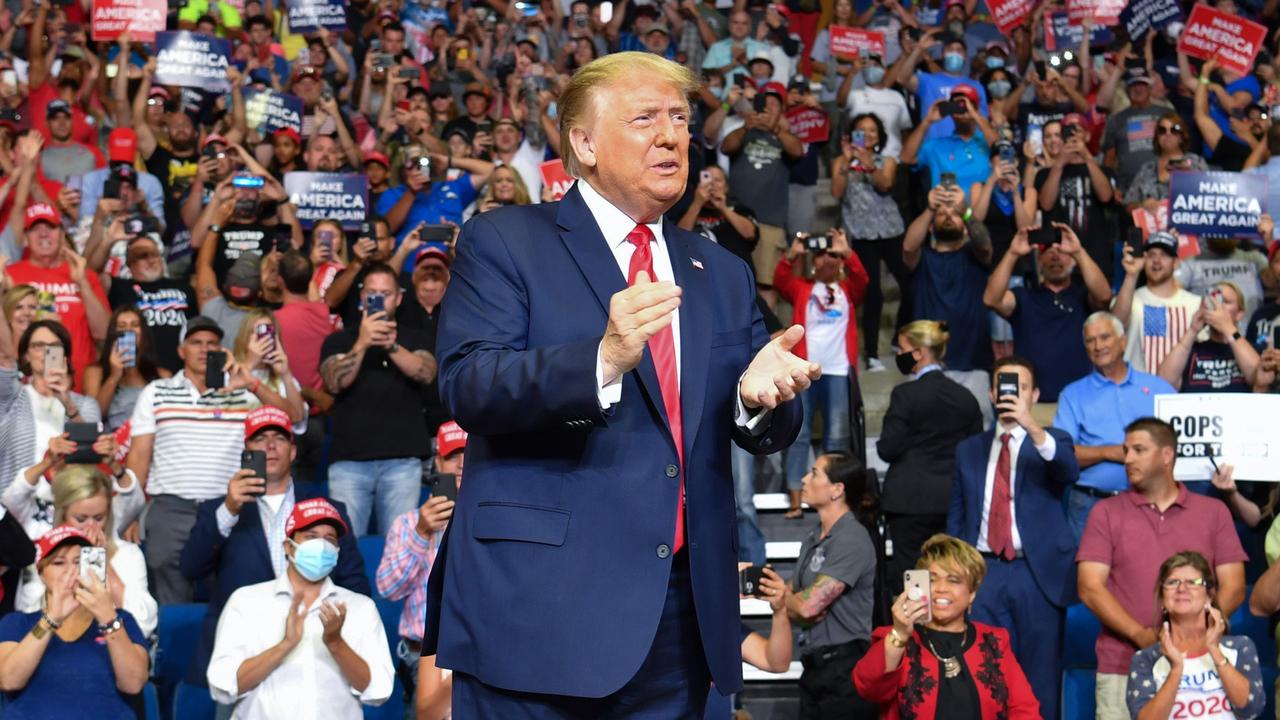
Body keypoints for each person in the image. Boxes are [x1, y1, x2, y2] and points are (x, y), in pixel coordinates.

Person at [426, 52, 809, 716]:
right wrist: (600, 361)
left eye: (681, 119)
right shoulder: (506, 241)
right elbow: (468, 384)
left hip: (686, 622)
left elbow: (761, 408)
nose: (671, 135)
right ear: (583, 143)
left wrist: (759, 402)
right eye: (645, 118)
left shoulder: (719, 271)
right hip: (539, 613)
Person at [180, 406, 369, 708]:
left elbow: (356, 585)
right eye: (260, 439)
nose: (269, 445)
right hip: (244, 653)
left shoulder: (328, 509)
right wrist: (229, 510)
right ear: (246, 450)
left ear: (293, 451)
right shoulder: (220, 508)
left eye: (279, 438)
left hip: (315, 649)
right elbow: (190, 569)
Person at [1077, 418, 1248, 720]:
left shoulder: (1213, 511)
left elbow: (1233, 586)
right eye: (1127, 450)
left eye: (1139, 450)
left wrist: (1195, 632)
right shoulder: (1105, 512)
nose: (1127, 458)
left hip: (1201, 667)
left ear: (1167, 455)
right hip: (1123, 665)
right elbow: (1090, 587)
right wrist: (1141, 636)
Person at [947, 357, 1080, 720]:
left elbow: (1068, 471)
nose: (1011, 395)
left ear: (1034, 395)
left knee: (1040, 678)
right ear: (991, 393)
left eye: (1020, 387)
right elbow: (957, 518)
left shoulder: (1052, 441)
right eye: (1005, 387)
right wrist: (953, 573)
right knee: (984, 674)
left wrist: (1031, 426)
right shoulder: (968, 449)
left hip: (1037, 574)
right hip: (983, 572)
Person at [125, 316, 282, 604]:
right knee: (164, 573)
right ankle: (174, 647)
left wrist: (251, 383)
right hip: (171, 505)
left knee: (234, 581)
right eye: (195, 342)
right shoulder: (156, 392)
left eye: (212, 343)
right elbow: (138, 457)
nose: (204, 349)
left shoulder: (243, 392)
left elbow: (291, 420)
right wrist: (131, 511)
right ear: (181, 350)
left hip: (229, 504)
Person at [206, 498, 395, 718]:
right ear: (289, 546)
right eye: (311, 537)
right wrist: (285, 645)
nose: (321, 545)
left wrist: (336, 643)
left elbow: (379, 690)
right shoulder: (246, 601)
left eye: (329, 539)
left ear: (336, 551)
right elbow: (223, 687)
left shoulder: (359, 607)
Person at [852, 534, 1041, 719]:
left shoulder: (994, 640)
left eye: (954, 580)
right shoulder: (895, 639)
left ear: (972, 593)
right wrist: (900, 634)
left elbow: (1024, 709)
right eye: (932, 579)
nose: (941, 588)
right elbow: (868, 689)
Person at [319, 262, 438, 536]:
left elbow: (426, 372)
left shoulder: (416, 337)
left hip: (403, 461)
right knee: (346, 546)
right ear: (362, 297)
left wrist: (390, 346)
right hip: (349, 461)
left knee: (400, 546)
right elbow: (334, 382)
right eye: (372, 292)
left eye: (385, 293)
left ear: (398, 298)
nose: (378, 299)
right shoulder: (339, 340)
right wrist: (362, 344)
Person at [0, 525, 149, 719]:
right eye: (59, 563)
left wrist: (107, 617)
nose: (71, 571)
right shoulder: (17, 623)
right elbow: (9, 680)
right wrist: (50, 620)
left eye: (79, 562)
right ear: (41, 573)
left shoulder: (121, 621)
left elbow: (134, 683)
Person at [878, 320, 983, 595]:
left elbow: (887, 448)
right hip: (952, 499)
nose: (899, 355)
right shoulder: (966, 397)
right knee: (950, 572)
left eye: (902, 349)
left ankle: (914, 634)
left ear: (919, 353)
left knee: (912, 576)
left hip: (908, 501)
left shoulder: (906, 394)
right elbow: (975, 451)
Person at [1054, 312, 1177, 538]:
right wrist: (1109, 452)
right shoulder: (1073, 395)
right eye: (1090, 340)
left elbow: (1182, 446)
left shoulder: (1159, 389)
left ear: (1122, 341)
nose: (1098, 345)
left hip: (1152, 501)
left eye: (1105, 337)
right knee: (1089, 573)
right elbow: (1062, 454)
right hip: (1090, 503)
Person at [774, 230, 869, 517]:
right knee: (798, 435)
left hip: (838, 371)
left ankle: (836, 497)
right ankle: (795, 498)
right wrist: (794, 252)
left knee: (838, 438)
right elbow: (779, 281)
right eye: (821, 254)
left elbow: (863, 280)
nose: (827, 258)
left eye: (832, 254)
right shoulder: (803, 288)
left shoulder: (847, 291)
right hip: (804, 370)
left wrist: (847, 251)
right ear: (813, 261)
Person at [6, 465, 156, 638]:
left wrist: (101, 562)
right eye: (81, 519)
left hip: (111, 647)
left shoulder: (128, 554)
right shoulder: (44, 554)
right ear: (62, 515)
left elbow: (143, 625)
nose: (91, 526)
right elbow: (29, 618)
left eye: (99, 518)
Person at [379, 420, 465, 717]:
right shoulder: (407, 524)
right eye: (454, 455)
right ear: (438, 461)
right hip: (420, 657)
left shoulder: (493, 521)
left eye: (471, 452)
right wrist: (421, 532)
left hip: (475, 658)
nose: (462, 463)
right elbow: (389, 590)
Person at [785, 452, 877, 718]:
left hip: (845, 670)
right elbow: (796, 603)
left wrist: (790, 600)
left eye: (814, 473)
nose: (803, 479)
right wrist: (793, 602)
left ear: (837, 490)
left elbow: (805, 606)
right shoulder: (813, 536)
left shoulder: (852, 538)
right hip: (815, 666)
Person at [1128, 551, 1266, 720]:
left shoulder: (1239, 647)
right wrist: (1176, 669)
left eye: (1193, 582)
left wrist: (1215, 650)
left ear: (1209, 596)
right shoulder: (1145, 659)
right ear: (1162, 601)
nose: (1181, 588)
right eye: (1172, 582)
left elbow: (1251, 708)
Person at [982, 223, 1112, 401]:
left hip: (1079, 401)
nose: (1055, 256)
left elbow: (1104, 296)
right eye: (1047, 252)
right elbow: (991, 299)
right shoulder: (1023, 297)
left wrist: (1078, 251)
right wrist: (1013, 253)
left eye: (1062, 252)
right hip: (1032, 402)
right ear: (1039, 261)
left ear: (1073, 261)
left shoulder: (1083, 296)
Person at [5, 203, 110, 390]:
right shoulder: (10, 275)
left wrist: (82, 283)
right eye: (35, 228)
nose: (43, 234)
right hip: (23, 388)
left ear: (62, 233)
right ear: (26, 238)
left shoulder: (83, 274)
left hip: (78, 387)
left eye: (51, 227)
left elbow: (103, 333)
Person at [833, 112, 907, 371]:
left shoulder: (886, 160)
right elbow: (836, 192)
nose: (866, 135)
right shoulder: (842, 162)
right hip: (862, 234)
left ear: (879, 137)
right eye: (861, 130)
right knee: (872, 293)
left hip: (891, 229)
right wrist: (847, 160)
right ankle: (872, 354)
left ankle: (900, 337)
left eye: (872, 130)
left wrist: (868, 163)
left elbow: (885, 184)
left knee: (910, 283)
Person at [0, 320, 106, 497]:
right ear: (26, 355)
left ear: (65, 356)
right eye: (38, 346)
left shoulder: (84, 405)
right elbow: (5, 357)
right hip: (15, 508)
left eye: (54, 347)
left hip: (68, 506)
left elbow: (89, 456)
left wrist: (68, 404)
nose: (46, 353)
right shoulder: (12, 398)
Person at [902, 185, 994, 372]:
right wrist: (930, 208)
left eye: (955, 214)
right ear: (930, 227)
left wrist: (966, 211)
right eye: (941, 214)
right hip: (929, 364)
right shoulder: (923, 258)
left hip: (973, 362)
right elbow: (908, 247)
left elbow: (984, 244)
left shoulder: (974, 255)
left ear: (966, 228)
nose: (949, 217)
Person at [1113, 231, 1202, 375]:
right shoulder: (1129, 298)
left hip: (1181, 393)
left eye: (1164, 255)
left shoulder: (1195, 304)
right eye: (1151, 255)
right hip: (1136, 391)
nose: (1156, 261)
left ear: (1176, 262)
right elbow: (1116, 325)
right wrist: (1132, 274)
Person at [1157, 281, 1261, 393]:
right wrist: (1192, 331)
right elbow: (1164, 381)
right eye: (1212, 301)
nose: (1218, 307)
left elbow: (1256, 377)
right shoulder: (1192, 351)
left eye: (1225, 302)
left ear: (1240, 313)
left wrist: (1229, 329)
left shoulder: (1249, 349)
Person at [83, 306, 170, 431]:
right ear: (113, 334)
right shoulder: (96, 372)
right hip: (111, 444)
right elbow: (94, 417)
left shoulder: (162, 375)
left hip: (150, 443)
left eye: (134, 325)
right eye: (122, 326)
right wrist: (114, 376)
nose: (129, 330)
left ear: (144, 332)